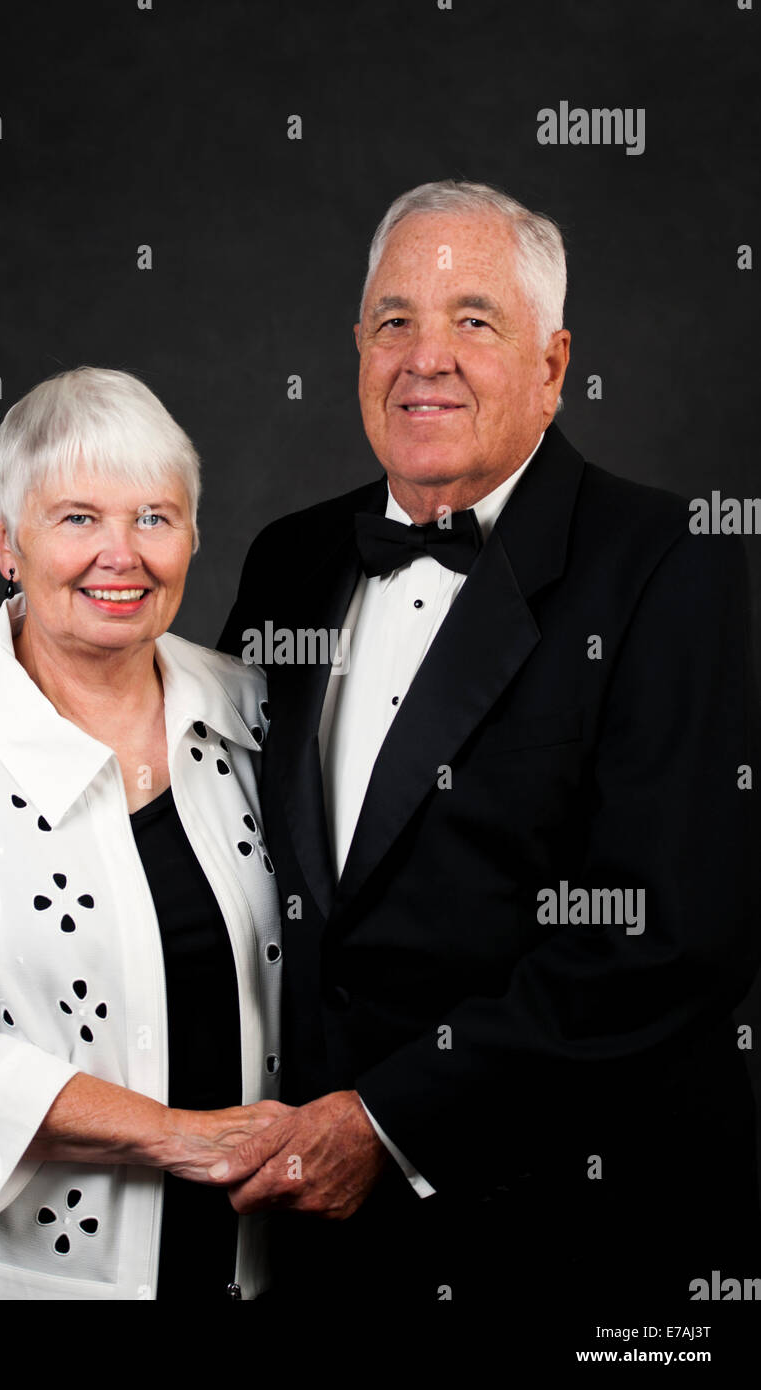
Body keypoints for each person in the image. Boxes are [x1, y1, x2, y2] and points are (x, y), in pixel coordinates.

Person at [215, 180, 761, 1308]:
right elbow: (206, 846)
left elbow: (673, 930)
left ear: (554, 367)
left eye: (474, 319)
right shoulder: (293, 556)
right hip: (310, 1241)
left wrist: (386, 1120)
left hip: (570, 1237)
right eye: (394, 321)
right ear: (356, 350)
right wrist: (2, 1063)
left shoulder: (668, 557)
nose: (427, 357)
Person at [0, 366, 289, 1301]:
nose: (120, 555)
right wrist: (199, 1140)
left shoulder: (257, 713)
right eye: (78, 517)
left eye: (154, 517)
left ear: (193, 535)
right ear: (6, 538)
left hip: (239, 1264)